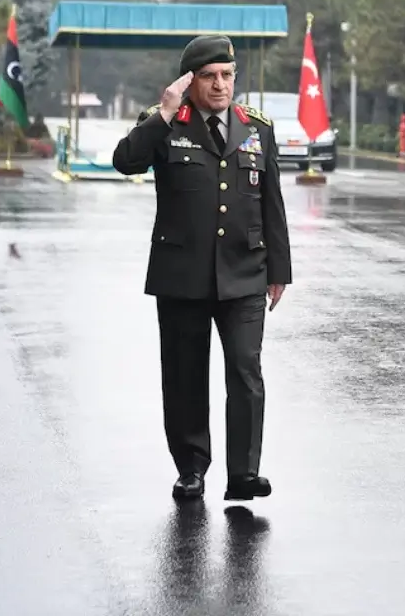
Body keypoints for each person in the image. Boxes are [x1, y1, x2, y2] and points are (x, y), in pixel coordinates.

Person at [112, 35, 292, 501]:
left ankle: (244, 473)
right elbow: (125, 161)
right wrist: (164, 111)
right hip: (182, 274)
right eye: (209, 77)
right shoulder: (167, 123)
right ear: (190, 82)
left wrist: (280, 270)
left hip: (245, 271)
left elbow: (271, 202)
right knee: (185, 375)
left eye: (227, 76)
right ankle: (191, 468)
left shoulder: (256, 127)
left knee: (246, 371)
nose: (220, 86)